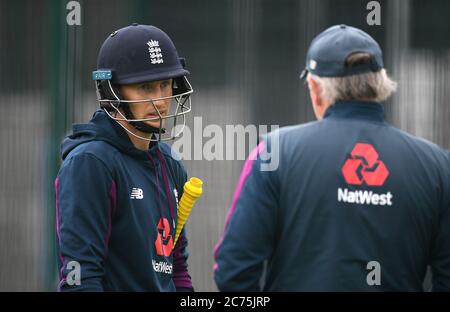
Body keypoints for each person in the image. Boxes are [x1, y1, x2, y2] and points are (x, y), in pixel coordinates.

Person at [214, 24, 450, 291]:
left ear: (315, 87)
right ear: (381, 83)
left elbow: (233, 269)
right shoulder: (438, 166)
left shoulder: (275, 152)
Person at [55, 23, 195, 291]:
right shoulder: (90, 163)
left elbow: (176, 269)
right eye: (145, 87)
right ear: (112, 92)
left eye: (165, 84)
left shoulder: (170, 163)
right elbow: (81, 279)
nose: (161, 101)